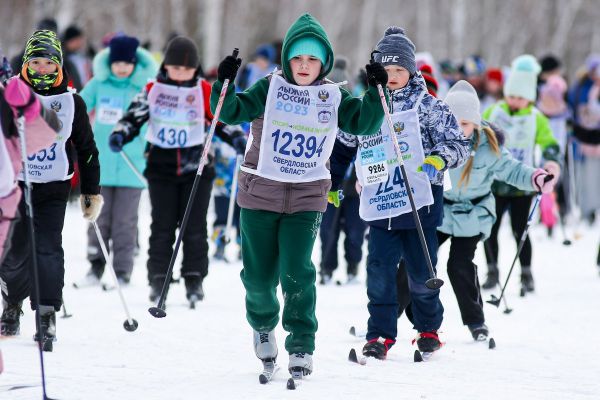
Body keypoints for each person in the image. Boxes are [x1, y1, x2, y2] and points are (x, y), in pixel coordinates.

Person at [211, 13, 387, 376]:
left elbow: (364, 122)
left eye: (312, 59)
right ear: (287, 59)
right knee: (259, 278)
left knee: (297, 273)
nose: (304, 65)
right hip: (260, 193)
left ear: (323, 62)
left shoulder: (333, 94)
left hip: (307, 197)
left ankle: (301, 344)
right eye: (297, 58)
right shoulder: (268, 87)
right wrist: (223, 82)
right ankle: (263, 326)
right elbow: (228, 111)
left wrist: (374, 91)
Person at [329, 27, 470, 360]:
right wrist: (333, 183)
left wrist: (439, 159)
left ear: (411, 71)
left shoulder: (429, 108)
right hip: (380, 205)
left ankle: (428, 329)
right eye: (385, 71)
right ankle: (379, 334)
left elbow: (459, 145)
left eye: (399, 71)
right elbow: (343, 148)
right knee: (378, 270)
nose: (392, 77)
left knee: (422, 272)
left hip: (421, 205)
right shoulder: (367, 108)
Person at [400, 80, 556, 341]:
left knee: (458, 265)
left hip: (473, 215)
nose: (459, 130)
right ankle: (385, 320)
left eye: (465, 124)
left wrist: (536, 178)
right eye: (453, 122)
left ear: (476, 123)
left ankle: (476, 322)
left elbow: (513, 169)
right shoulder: (433, 139)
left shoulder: (488, 146)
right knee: (417, 260)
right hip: (440, 211)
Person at [109, 36, 246, 304]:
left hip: (198, 168)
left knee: (194, 226)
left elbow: (221, 118)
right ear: (166, 67)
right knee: (162, 225)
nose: (181, 74)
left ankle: (194, 277)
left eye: (187, 69)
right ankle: (159, 277)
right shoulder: (153, 89)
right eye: (175, 68)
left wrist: (235, 136)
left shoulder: (204, 90)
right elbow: (133, 117)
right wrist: (121, 133)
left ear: (195, 68)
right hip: (161, 169)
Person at [0, 30, 102, 348]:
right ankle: (12, 303)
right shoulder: (9, 96)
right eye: (36, 62)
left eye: (48, 63)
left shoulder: (72, 101)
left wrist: (90, 190)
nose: (42, 69)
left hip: (53, 187)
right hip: (16, 186)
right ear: (26, 65)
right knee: (14, 254)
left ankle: (46, 313)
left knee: (47, 250)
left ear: (58, 66)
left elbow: (86, 148)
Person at [79, 35, 158, 284]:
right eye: (117, 63)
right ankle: (95, 265)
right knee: (98, 218)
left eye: (127, 63)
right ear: (110, 63)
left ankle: (122, 271)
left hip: (132, 165)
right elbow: (78, 107)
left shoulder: (145, 88)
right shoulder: (99, 84)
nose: (121, 68)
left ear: (134, 63)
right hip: (100, 164)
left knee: (125, 221)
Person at [482, 55, 561, 293]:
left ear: (529, 98)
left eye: (520, 97)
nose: (515, 101)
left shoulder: (536, 117)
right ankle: (492, 270)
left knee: (521, 229)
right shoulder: (494, 111)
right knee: (490, 229)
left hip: (523, 184)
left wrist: (551, 163)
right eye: (512, 95)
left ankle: (526, 274)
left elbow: (549, 143)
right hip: (495, 182)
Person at [318, 159, 366, 285]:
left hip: (355, 192)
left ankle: (353, 267)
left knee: (355, 232)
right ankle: (327, 269)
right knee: (328, 230)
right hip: (332, 188)